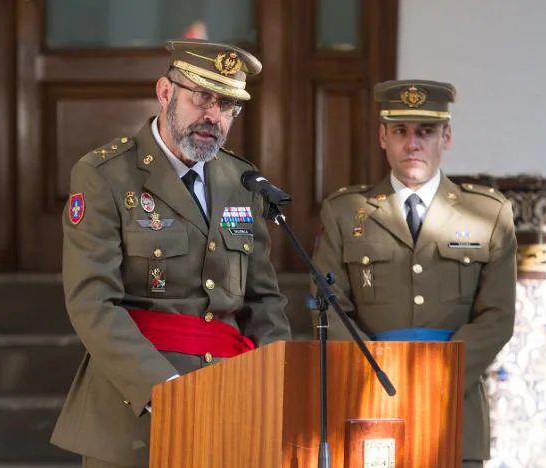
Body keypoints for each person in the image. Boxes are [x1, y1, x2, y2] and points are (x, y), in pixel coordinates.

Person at [51, 39, 291, 468]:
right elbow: (92, 303)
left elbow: (262, 300)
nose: (212, 116)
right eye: (202, 97)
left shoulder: (242, 180)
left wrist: (273, 383)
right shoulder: (105, 174)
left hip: (232, 403)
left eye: (228, 105)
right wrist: (165, 389)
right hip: (137, 408)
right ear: (165, 92)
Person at [311, 80, 517, 467]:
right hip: (370, 401)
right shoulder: (343, 212)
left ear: (447, 136)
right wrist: (377, 373)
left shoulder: (489, 213)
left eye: (426, 131)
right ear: (382, 136)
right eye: (401, 131)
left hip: (455, 406)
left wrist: (440, 375)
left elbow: (498, 315)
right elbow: (330, 308)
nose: (413, 144)